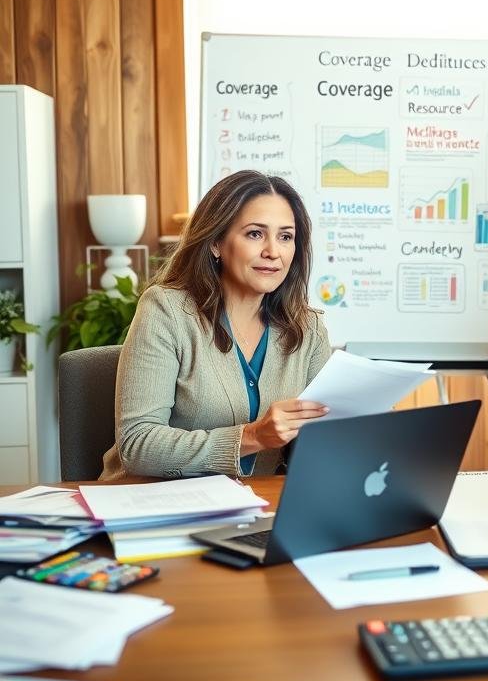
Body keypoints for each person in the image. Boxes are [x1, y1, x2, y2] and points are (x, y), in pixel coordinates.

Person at [101, 170, 331, 480]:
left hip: (256, 505)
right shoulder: (166, 311)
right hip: (155, 503)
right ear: (216, 243)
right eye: (255, 233)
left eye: (285, 236)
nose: (273, 252)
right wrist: (253, 437)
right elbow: (138, 444)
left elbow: (320, 439)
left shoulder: (308, 328)